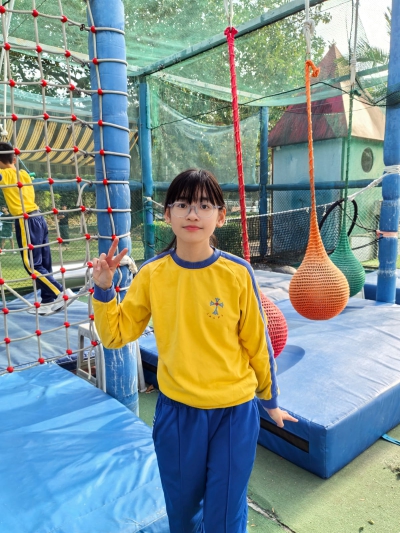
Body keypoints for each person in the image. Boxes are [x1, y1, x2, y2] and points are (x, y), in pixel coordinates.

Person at [92, 169, 297, 533]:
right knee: (183, 512)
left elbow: (257, 342)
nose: (192, 214)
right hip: (178, 414)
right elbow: (116, 335)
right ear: (167, 214)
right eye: (182, 204)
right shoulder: (153, 274)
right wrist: (105, 290)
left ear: (221, 216)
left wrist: (270, 400)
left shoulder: (238, 272)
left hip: (234, 414)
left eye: (204, 205)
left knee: (225, 514)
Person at [0, 142, 74, 314]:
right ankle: (48, 300)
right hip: (39, 218)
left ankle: (61, 293)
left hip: (26, 220)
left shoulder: (5, 175)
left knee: (32, 265)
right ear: (14, 158)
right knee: (44, 263)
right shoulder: (24, 174)